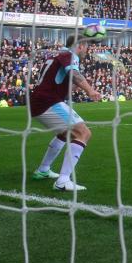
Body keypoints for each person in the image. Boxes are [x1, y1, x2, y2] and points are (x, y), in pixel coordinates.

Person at [29, 34, 103, 192]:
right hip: (48, 102)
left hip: (41, 101)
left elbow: (62, 85)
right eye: (87, 47)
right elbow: (74, 75)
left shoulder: (57, 56)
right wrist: (90, 90)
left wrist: (78, 87)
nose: (87, 50)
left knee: (66, 134)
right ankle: (62, 181)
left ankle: (43, 170)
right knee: (83, 133)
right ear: (80, 46)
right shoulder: (70, 55)